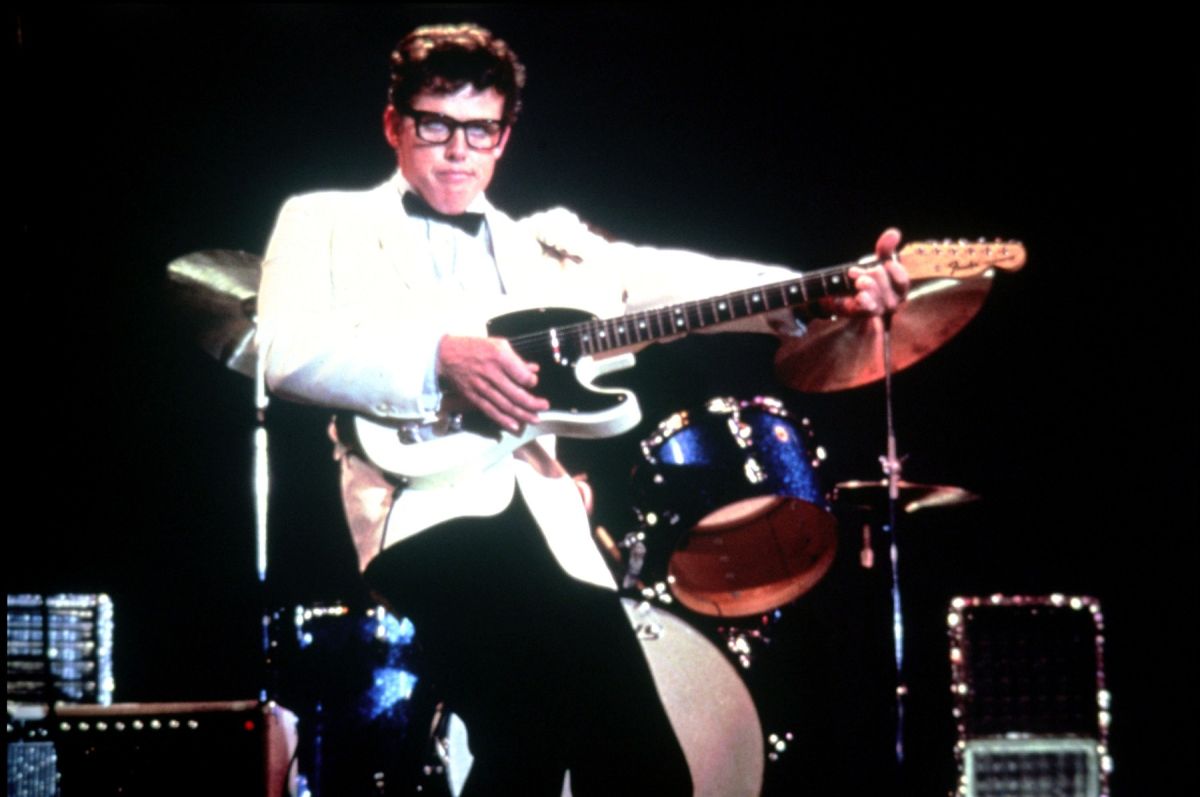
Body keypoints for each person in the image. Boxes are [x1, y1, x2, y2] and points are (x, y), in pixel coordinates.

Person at [257, 23, 908, 796]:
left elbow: (669, 280)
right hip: (421, 517)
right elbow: (284, 352)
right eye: (435, 125)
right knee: (574, 739)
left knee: (581, 756)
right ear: (393, 124)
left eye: (480, 129)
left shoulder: (542, 248)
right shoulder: (324, 221)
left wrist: (819, 288)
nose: (459, 150)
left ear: (504, 137)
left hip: (549, 523)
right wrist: (438, 357)